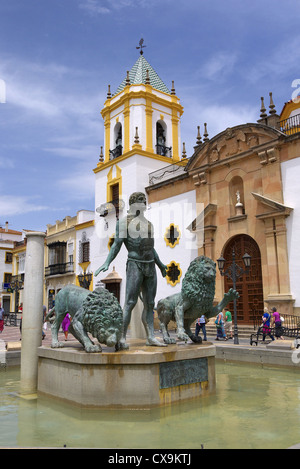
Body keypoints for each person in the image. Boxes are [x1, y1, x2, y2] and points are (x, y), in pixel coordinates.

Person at [95, 192, 167, 350]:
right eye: (141, 200)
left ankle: (150, 337)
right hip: (135, 264)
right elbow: (116, 245)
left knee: (149, 303)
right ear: (133, 203)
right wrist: (107, 262)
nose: (144, 203)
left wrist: (160, 265)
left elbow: (151, 248)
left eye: (145, 200)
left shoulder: (149, 224)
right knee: (130, 303)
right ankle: (121, 337)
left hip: (150, 265)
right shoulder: (123, 222)